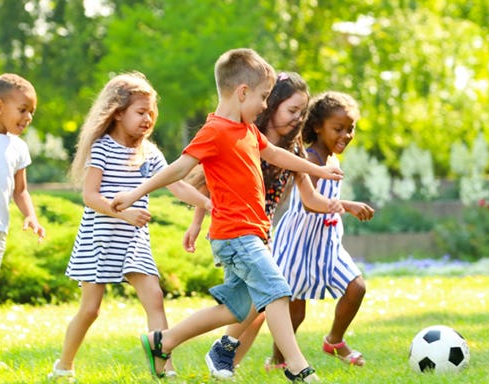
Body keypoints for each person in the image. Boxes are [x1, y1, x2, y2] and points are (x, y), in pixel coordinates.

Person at [111, 49, 344, 382]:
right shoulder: (215, 131)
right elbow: (178, 168)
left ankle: (163, 341)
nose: (265, 105)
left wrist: (314, 169)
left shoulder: (247, 130)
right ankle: (298, 367)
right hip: (235, 235)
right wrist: (135, 194)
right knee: (277, 290)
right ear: (242, 92)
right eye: (263, 97)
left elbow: (276, 154)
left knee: (235, 310)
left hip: (252, 233)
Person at [190, 74, 374, 374]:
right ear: (271, 106)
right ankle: (291, 366)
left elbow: (312, 198)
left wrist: (341, 202)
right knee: (264, 300)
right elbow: (209, 183)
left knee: (251, 308)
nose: (298, 118)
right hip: (240, 232)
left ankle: (216, 360)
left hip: (261, 232)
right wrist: (197, 222)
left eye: (301, 112)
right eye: (292, 111)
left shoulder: (295, 149)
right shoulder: (246, 139)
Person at [47, 72, 211, 381]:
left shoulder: (149, 152)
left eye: (151, 113)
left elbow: (177, 186)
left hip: (133, 240)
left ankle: (165, 369)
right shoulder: (102, 148)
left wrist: (208, 204)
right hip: (100, 238)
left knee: (154, 297)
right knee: (91, 309)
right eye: (140, 112)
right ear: (118, 113)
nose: (147, 119)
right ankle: (63, 366)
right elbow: (90, 196)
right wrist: (123, 214)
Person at [268, 91, 373, 369]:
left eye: (350, 129)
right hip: (299, 242)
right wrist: (347, 205)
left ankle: (334, 341)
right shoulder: (311, 158)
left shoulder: (332, 160)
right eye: (338, 129)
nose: (346, 135)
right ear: (318, 126)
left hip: (326, 243)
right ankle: (278, 360)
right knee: (295, 311)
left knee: (356, 287)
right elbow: (310, 202)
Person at [0, 73, 46, 375]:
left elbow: (20, 190)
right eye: (23, 109)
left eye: (32, 111)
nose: (28, 117)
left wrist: (30, 215)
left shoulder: (18, 148)